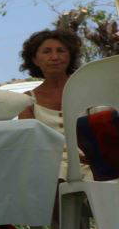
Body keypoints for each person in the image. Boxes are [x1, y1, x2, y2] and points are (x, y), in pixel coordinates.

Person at [17, 28, 88, 179]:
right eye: (46, 51)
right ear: (35, 59)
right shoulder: (28, 101)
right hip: (49, 166)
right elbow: (31, 145)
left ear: (70, 56)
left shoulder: (87, 90)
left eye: (61, 51)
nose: (54, 57)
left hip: (93, 164)